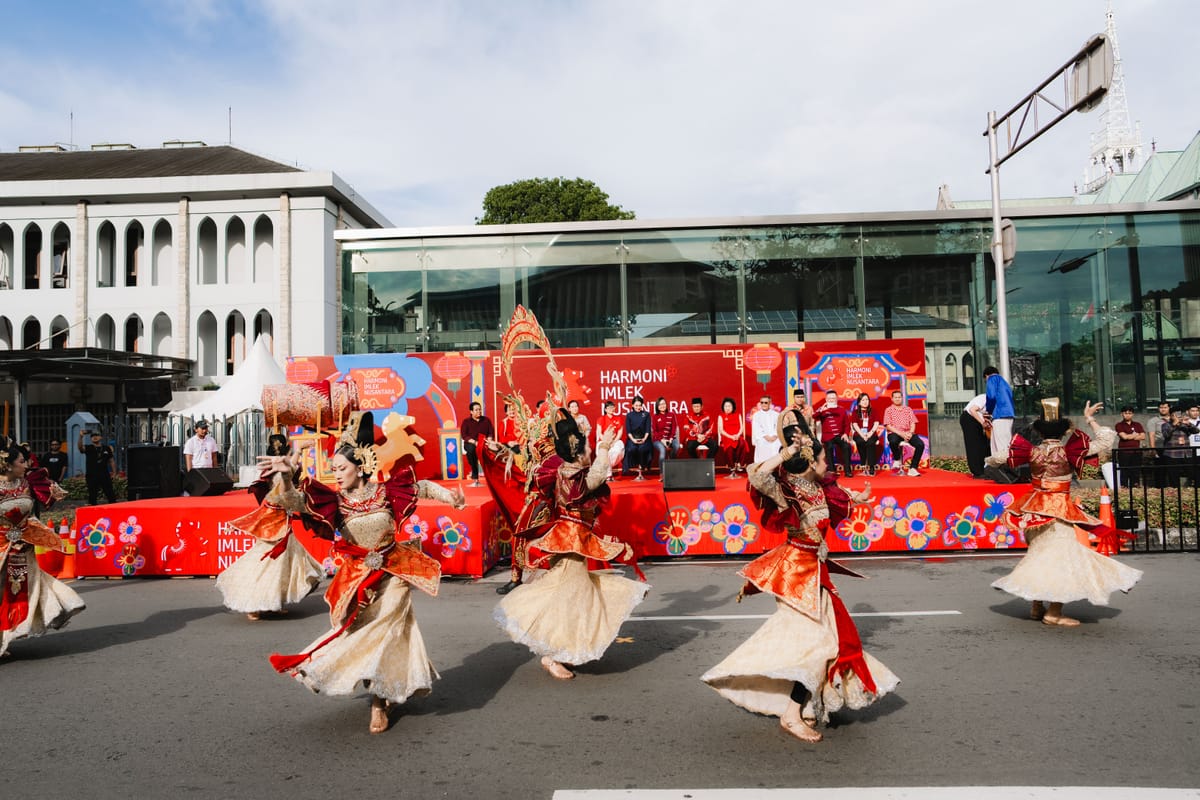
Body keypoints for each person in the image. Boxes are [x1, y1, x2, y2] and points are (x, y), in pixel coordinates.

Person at [264, 411, 466, 734]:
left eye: (341, 468)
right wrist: (287, 476)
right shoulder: (336, 502)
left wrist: (451, 498)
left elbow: (423, 487)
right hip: (358, 578)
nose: (336, 475)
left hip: (394, 570)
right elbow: (295, 502)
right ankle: (377, 687)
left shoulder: (386, 492)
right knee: (364, 634)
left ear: (361, 466)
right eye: (333, 470)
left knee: (388, 626)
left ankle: (377, 703)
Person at [702, 428, 899, 742]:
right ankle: (790, 714)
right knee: (816, 647)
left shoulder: (816, 484)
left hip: (816, 573)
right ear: (810, 462)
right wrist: (785, 453)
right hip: (797, 576)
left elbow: (835, 492)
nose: (827, 464)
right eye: (823, 459)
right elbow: (757, 477)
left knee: (826, 642)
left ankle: (798, 705)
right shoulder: (788, 489)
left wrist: (855, 497)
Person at [493, 411, 648, 680]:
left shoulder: (569, 469)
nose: (589, 450)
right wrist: (603, 448)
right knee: (570, 596)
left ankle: (562, 648)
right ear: (578, 452)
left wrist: (600, 448)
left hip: (572, 536)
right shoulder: (570, 473)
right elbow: (593, 481)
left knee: (576, 593)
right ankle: (552, 655)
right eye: (586, 447)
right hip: (569, 538)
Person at [992, 400, 1143, 627]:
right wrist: (1090, 418)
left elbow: (995, 459)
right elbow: (1105, 439)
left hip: (1032, 511)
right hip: (1060, 512)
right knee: (1062, 561)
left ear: (1039, 430)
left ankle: (1036, 606)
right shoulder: (1069, 451)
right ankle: (1053, 613)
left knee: (1040, 556)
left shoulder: (1031, 451)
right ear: (1064, 431)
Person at [217, 433, 324, 620]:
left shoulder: (278, 468)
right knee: (268, 565)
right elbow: (287, 476)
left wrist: (298, 451)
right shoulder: (282, 472)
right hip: (275, 520)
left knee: (280, 565)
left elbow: (289, 471)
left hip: (281, 519)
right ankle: (254, 603)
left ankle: (273, 601)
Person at [1, 442, 85, 659]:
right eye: (21, 461)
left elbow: (53, 496)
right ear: (7, 465)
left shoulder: (27, 483)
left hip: (23, 548)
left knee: (19, 593)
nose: (27, 464)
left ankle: (9, 636)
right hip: (2, 547)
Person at [883, 390, 924, 476]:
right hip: (895, 432)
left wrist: (910, 433)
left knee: (920, 444)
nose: (897, 399)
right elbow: (888, 426)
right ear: (892, 399)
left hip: (908, 433)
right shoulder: (889, 410)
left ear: (902, 398)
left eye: (899, 397)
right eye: (896, 397)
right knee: (893, 441)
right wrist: (900, 433)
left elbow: (913, 423)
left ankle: (913, 468)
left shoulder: (908, 409)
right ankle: (897, 459)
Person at [814, 390, 851, 476]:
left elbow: (847, 424)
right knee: (829, 447)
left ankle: (848, 471)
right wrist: (822, 408)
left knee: (846, 446)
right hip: (828, 436)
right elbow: (814, 416)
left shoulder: (842, 410)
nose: (831, 400)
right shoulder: (822, 410)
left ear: (837, 399)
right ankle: (831, 470)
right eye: (829, 398)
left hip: (840, 435)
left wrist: (845, 433)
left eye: (833, 398)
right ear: (826, 399)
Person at [984, 366, 1015, 463]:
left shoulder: (992, 379)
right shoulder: (1005, 383)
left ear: (986, 376)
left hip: (999, 414)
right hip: (1009, 415)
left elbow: (991, 396)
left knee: (999, 444)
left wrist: (988, 411)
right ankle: (1010, 467)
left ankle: (1002, 469)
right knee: (1006, 443)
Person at [77, 428, 116, 504]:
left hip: (104, 474)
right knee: (92, 495)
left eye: (97, 435)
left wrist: (114, 472)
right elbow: (80, 447)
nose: (94, 437)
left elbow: (111, 461)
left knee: (110, 494)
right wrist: (81, 437)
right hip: (92, 475)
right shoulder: (88, 447)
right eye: (92, 436)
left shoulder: (106, 448)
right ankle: (93, 511)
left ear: (101, 437)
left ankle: (114, 509)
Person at [460, 401, 494, 486]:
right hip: (471, 443)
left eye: (480, 409)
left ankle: (492, 478)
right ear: (471, 412)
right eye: (476, 410)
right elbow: (464, 436)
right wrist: (475, 442)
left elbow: (490, 433)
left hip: (484, 443)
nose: (479, 411)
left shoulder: (486, 420)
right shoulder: (466, 422)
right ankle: (475, 477)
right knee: (471, 451)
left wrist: (489, 440)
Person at [849, 392, 883, 476]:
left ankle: (871, 467)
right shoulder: (855, 412)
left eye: (867, 399)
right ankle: (864, 466)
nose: (865, 401)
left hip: (871, 433)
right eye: (863, 400)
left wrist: (869, 434)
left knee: (870, 442)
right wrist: (862, 435)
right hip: (859, 434)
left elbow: (876, 423)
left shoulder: (874, 411)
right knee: (860, 441)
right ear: (859, 402)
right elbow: (855, 425)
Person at [1114, 405, 1147, 488]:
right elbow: (1124, 437)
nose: (1127, 415)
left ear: (1132, 414)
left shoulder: (1137, 424)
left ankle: (1135, 487)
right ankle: (1124, 487)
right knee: (1124, 471)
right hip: (1124, 452)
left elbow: (1143, 436)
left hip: (1136, 452)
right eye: (1125, 413)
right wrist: (1135, 435)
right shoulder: (1119, 425)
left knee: (1135, 470)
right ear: (1122, 414)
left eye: (1130, 413)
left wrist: (1130, 436)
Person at [716, 397, 749, 477]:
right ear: (723, 407)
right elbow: (721, 430)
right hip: (727, 437)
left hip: (736, 436)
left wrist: (737, 435)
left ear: (733, 407)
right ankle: (732, 467)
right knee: (730, 447)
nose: (727, 408)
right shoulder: (721, 416)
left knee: (742, 443)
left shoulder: (738, 415)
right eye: (725, 406)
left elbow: (742, 427)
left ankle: (739, 464)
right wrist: (731, 437)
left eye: (729, 406)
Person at [960, 391, 990, 479]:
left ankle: (982, 469)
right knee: (973, 446)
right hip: (969, 419)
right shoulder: (985, 398)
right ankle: (977, 472)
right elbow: (972, 410)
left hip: (976, 421)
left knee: (982, 445)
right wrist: (983, 423)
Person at [623, 395, 652, 480]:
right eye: (636, 405)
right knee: (631, 449)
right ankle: (633, 468)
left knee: (642, 448)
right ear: (632, 405)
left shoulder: (646, 414)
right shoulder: (629, 415)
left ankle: (642, 468)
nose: (638, 407)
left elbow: (648, 429)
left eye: (640, 405)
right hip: (632, 439)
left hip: (645, 438)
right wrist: (633, 440)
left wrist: (644, 439)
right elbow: (628, 431)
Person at [595, 401, 625, 480]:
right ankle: (608, 474)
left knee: (619, 449)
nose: (612, 409)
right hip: (604, 440)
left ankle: (610, 466)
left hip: (615, 440)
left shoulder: (618, 418)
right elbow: (599, 432)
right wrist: (606, 441)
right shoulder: (601, 419)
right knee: (604, 451)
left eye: (613, 407)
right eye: (609, 408)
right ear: (605, 409)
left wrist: (614, 441)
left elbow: (620, 432)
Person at [651, 396, 680, 471]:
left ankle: (671, 464)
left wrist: (670, 438)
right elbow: (654, 431)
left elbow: (674, 428)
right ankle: (662, 473)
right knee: (662, 450)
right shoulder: (655, 416)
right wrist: (662, 440)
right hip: (658, 440)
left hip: (670, 438)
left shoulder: (671, 414)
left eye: (663, 404)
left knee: (676, 446)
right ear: (657, 406)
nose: (662, 406)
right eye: (660, 405)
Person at [750, 395, 781, 463]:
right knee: (762, 444)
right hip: (762, 438)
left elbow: (778, 426)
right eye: (762, 402)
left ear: (770, 403)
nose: (763, 404)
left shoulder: (776, 414)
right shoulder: (756, 415)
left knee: (778, 444)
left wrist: (775, 435)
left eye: (766, 402)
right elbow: (757, 428)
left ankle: (775, 470)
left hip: (775, 438)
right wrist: (766, 437)